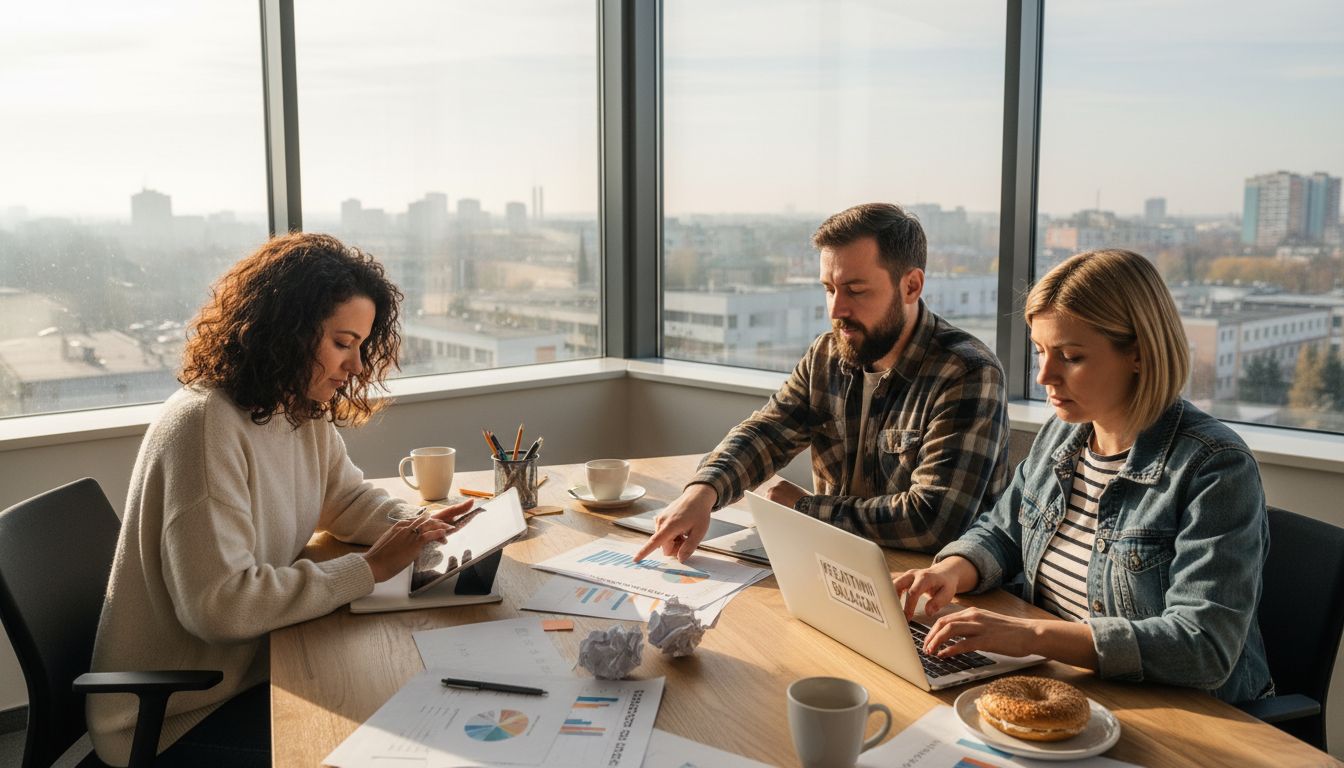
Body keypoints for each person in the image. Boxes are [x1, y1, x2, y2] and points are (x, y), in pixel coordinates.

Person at [87, 233, 472, 766]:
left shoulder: (294, 408)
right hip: (174, 716)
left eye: (361, 345)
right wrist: (370, 567)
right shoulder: (205, 424)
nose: (357, 366)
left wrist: (422, 525)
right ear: (287, 332)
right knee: (394, 735)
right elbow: (222, 606)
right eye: (342, 343)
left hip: (249, 669)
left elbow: (345, 498)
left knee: (405, 703)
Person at [893, 249, 1272, 703]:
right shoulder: (1064, 432)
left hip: (1188, 713)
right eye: (1040, 352)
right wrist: (953, 571)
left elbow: (1202, 646)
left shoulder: (1215, 467)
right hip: (1070, 685)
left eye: (1070, 356)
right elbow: (1004, 531)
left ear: (1138, 353)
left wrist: (1032, 635)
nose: (1044, 376)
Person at [636, 202, 1009, 563]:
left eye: (856, 290)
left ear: (911, 286)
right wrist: (703, 492)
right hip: (838, 569)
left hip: (937, 592)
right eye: (829, 288)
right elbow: (768, 432)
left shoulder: (967, 372)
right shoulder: (828, 353)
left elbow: (933, 520)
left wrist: (805, 509)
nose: (836, 310)